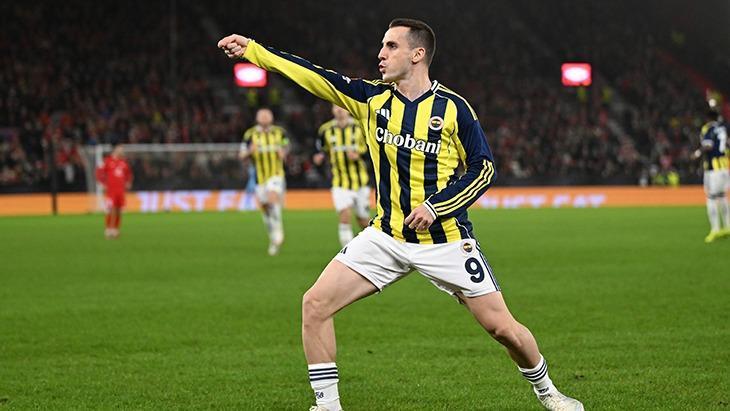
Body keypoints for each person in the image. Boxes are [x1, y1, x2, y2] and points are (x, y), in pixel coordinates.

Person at [219, 18, 583, 411]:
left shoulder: (453, 109)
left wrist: (436, 207)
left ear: (417, 54)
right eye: (382, 46)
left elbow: (483, 169)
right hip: (386, 236)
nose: (381, 54)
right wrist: (254, 51)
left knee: (503, 329)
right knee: (315, 304)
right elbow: (313, 75)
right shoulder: (370, 99)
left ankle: (548, 392)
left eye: (391, 46)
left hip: (445, 241)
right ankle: (327, 406)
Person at [314, 105, 371, 247]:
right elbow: (320, 150)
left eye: (342, 107)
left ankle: (373, 247)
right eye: (336, 107)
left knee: (363, 221)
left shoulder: (361, 126)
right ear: (332, 110)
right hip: (339, 182)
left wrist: (359, 155)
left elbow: (373, 150)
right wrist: (318, 158)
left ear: (348, 109)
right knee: (344, 214)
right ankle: (348, 251)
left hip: (360, 182)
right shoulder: (325, 130)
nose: (339, 110)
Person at [240, 108, 289, 255]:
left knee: (272, 196)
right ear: (257, 118)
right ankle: (273, 237)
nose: (265, 117)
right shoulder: (250, 134)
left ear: (272, 117)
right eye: (262, 115)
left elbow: (286, 147)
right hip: (259, 177)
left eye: (267, 115)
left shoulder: (280, 132)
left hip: (276, 174)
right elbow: (241, 155)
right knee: (265, 208)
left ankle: (278, 230)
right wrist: (249, 151)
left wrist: (284, 153)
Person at [695, 109, 730, 242]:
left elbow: (708, 146)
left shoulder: (708, 129)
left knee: (711, 198)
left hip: (713, 168)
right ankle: (727, 227)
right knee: (722, 197)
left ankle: (715, 230)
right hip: (724, 166)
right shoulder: (723, 128)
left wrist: (697, 154)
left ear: (708, 118)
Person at [95, 143, 133, 239]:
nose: (122, 151)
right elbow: (99, 172)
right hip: (111, 191)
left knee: (119, 210)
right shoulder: (107, 161)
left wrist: (128, 182)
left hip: (120, 191)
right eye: (121, 149)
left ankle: (115, 229)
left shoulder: (123, 163)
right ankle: (108, 229)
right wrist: (103, 183)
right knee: (110, 209)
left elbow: (129, 174)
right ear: (115, 150)